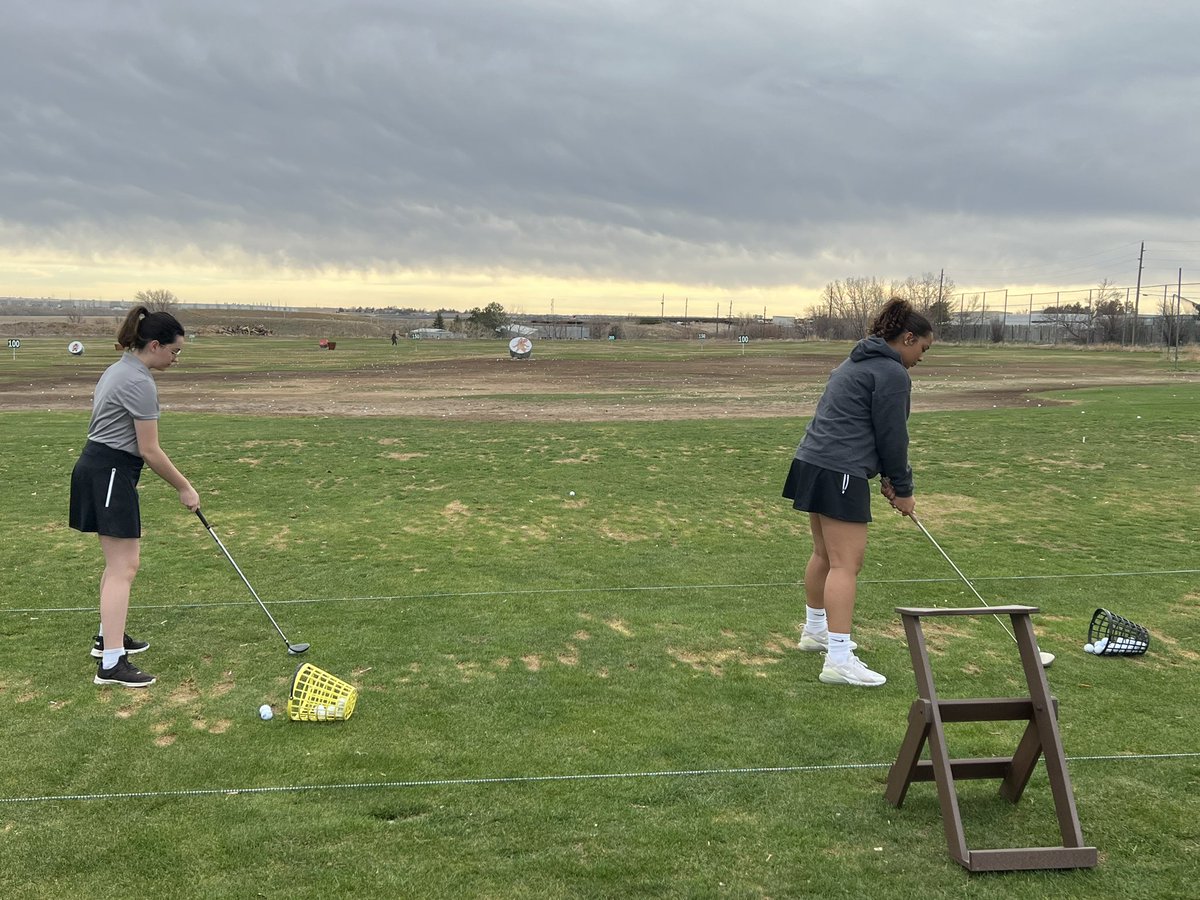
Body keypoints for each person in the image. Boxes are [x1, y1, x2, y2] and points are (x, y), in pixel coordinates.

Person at [782, 297, 933, 687]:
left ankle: (816, 630)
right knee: (846, 564)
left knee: (824, 554)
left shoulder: (854, 362)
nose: (921, 358)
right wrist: (903, 488)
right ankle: (838, 657)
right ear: (908, 337)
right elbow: (893, 436)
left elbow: (865, 427)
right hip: (838, 470)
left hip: (813, 462)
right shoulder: (892, 373)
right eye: (922, 349)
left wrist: (885, 476)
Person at [69, 306, 200, 687]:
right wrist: (184, 487)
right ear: (155, 345)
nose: (176, 359)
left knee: (120, 565)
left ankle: (107, 638)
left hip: (102, 468)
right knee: (123, 567)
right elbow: (151, 450)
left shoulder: (121, 368)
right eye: (174, 352)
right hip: (109, 471)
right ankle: (112, 662)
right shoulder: (138, 382)